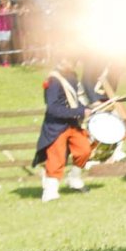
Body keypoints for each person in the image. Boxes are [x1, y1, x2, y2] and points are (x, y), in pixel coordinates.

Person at [33, 61, 99, 202]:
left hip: (73, 123)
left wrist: (86, 110)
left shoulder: (72, 77)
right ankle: (50, 191)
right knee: (56, 158)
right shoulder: (53, 80)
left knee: (84, 150)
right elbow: (53, 108)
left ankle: (74, 178)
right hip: (56, 126)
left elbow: (74, 100)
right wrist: (80, 111)